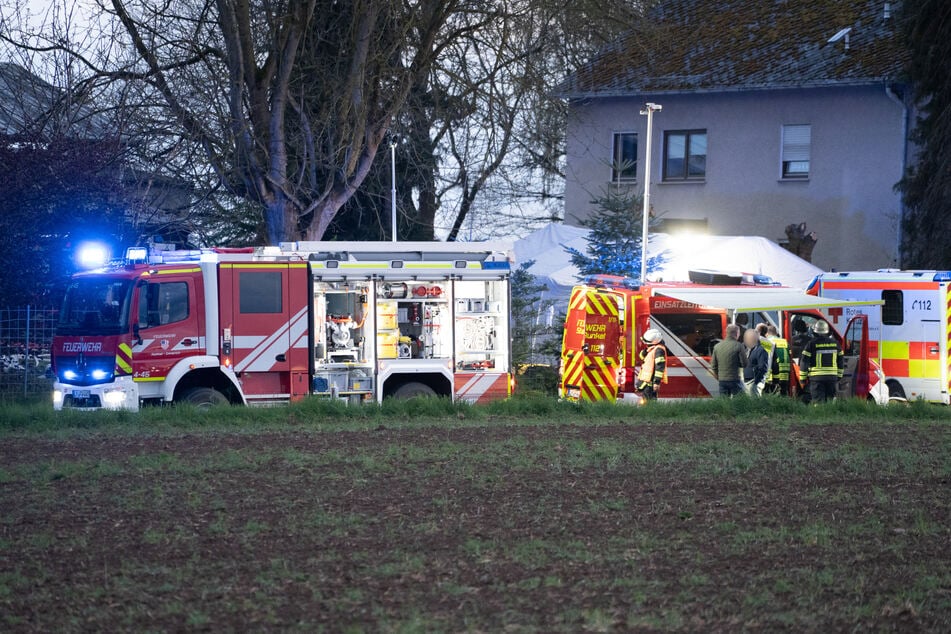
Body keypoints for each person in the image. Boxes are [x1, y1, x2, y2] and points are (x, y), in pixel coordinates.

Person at [798, 320, 843, 403]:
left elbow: (804, 362)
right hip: (832, 378)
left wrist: (802, 379)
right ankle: (829, 415)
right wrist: (839, 376)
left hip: (817, 378)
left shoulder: (811, 344)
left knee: (818, 402)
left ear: (815, 332)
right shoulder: (836, 344)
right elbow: (840, 361)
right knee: (829, 401)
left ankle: (819, 415)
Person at [711, 324, 748, 397]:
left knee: (724, 403)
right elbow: (744, 364)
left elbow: (713, 365)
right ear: (737, 333)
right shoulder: (739, 346)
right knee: (740, 401)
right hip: (734, 379)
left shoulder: (717, 346)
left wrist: (718, 376)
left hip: (722, 380)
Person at [635, 329, 668, 400]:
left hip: (650, 383)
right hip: (646, 382)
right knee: (646, 402)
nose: (646, 344)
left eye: (647, 343)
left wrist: (656, 382)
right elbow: (641, 356)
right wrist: (646, 350)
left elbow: (659, 367)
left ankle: (649, 411)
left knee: (648, 403)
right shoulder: (652, 348)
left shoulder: (659, 350)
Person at [765, 325, 791, 396]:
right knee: (783, 393)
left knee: (772, 394)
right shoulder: (785, 342)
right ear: (776, 333)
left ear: (767, 333)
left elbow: (767, 358)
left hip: (774, 373)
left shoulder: (767, 342)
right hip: (785, 373)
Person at [743, 329, 769, 396]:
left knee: (754, 403)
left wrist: (756, 382)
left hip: (753, 382)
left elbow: (763, 368)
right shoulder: (747, 349)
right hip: (745, 381)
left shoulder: (760, 350)